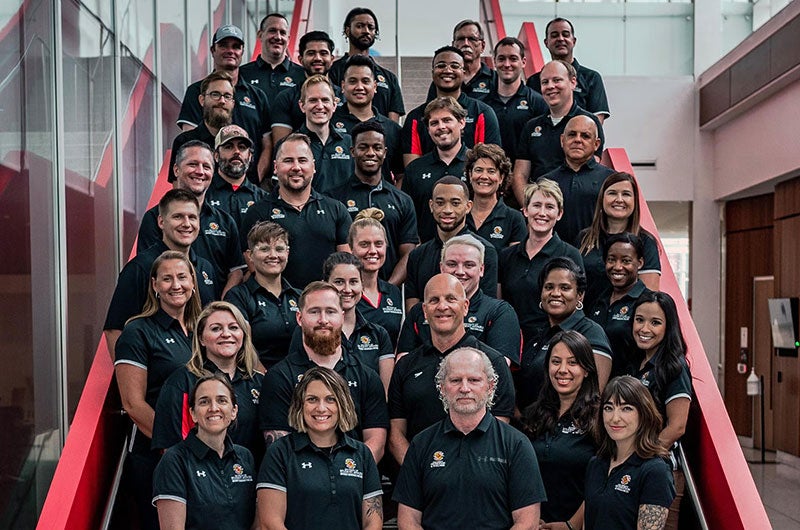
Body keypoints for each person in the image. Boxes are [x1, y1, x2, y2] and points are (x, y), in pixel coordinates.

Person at [393, 347, 545, 529]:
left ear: (490, 386)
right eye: (455, 380)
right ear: (442, 388)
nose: (464, 388)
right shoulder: (421, 444)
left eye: (474, 380)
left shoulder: (516, 444)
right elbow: (408, 520)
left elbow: (528, 522)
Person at [114, 251, 202, 530]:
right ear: (154, 285)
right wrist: (179, 449)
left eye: (182, 277)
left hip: (205, 459)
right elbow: (132, 404)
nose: (176, 285)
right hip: (158, 458)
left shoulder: (206, 329)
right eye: (166, 278)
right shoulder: (138, 331)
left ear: (193, 282)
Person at [388, 274, 515, 465]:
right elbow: (396, 435)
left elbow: (499, 432)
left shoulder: (492, 362)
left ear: (465, 307)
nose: (442, 306)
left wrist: (458, 474)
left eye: (450, 299)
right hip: (418, 482)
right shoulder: (406, 366)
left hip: (476, 476)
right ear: (424, 310)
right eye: (434, 300)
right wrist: (419, 474)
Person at [258, 281, 388, 462]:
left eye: (331, 311)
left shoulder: (367, 377)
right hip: (301, 483)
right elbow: (278, 448)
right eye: (314, 312)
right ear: (299, 318)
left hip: (353, 480)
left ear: (342, 317)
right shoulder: (279, 377)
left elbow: (376, 441)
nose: (323, 320)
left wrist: (347, 474)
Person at [256, 367, 383, 530]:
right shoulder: (280, 453)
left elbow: (373, 522)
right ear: (300, 405)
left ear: (342, 404)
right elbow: (270, 524)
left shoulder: (361, 453)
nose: (321, 408)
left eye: (330, 399)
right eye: (312, 399)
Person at [103, 189, 216, 358]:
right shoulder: (139, 268)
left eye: (192, 217)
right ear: (161, 222)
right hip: (156, 377)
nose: (186, 224)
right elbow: (114, 330)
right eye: (178, 217)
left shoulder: (205, 268)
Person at [152, 302, 265, 461]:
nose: (226, 334)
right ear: (201, 338)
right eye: (216, 328)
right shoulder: (181, 381)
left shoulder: (260, 382)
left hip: (248, 479)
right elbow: (170, 447)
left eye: (233, 327)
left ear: (244, 335)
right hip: (197, 480)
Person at [239, 133, 352, 288]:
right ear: (275, 167)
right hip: (277, 305)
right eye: (288, 161)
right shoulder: (257, 213)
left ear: (313, 167)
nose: (296, 167)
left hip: (324, 305)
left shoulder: (337, 210)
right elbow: (252, 264)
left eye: (302, 160)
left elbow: (345, 266)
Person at [137, 140, 245, 298]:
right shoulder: (155, 217)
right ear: (176, 169)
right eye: (193, 164)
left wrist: (220, 306)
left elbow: (236, 271)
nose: (200, 171)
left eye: (206, 166)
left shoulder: (226, 222)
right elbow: (149, 269)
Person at [152, 373, 256, 530]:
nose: (213, 408)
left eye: (222, 400)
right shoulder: (174, 460)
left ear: (234, 411)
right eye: (204, 402)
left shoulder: (244, 457)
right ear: (193, 413)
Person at [398, 234, 521, 365]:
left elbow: (499, 368)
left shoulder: (499, 312)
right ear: (441, 268)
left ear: (481, 269)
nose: (460, 271)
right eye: (452, 264)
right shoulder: (420, 311)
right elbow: (403, 363)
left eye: (469, 265)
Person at [522, 330, 600, 529]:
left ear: (587, 369)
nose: (562, 369)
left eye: (573, 363)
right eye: (556, 361)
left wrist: (571, 525)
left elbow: (604, 481)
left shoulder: (600, 418)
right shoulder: (533, 414)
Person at [177, 24, 272, 184]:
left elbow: (267, 145)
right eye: (223, 45)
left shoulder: (258, 96)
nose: (230, 51)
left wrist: (253, 181)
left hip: (248, 190)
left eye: (236, 46)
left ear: (242, 52)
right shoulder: (196, 91)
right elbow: (190, 142)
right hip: (207, 187)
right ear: (212, 50)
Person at [326, 120, 418, 283]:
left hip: (387, 295)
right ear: (353, 151)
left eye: (377, 147)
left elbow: (408, 254)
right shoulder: (333, 199)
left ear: (385, 152)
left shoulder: (403, 200)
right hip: (346, 292)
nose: (370, 153)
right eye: (363, 147)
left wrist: (388, 289)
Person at [516, 257, 612, 411]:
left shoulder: (591, 333)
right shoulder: (539, 335)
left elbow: (593, 397)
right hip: (532, 427)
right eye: (549, 287)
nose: (555, 293)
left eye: (565, 288)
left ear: (580, 295)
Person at [584, 376, 675, 530]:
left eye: (626, 408)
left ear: (643, 414)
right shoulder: (596, 464)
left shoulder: (655, 470)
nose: (615, 418)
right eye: (608, 408)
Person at [499, 179, 583, 344]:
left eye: (550, 207)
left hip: (553, 342)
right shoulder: (506, 256)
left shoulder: (570, 255)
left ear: (559, 214)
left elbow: (577, 306)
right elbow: (500, 303)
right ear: (525, 210)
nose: (542, 213)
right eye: (536, 205)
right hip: (513, 341)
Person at [511, 60, 605, 206]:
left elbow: (589, 172)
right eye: (545, 82)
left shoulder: (590, 123)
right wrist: (531, 206)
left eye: (557, 80)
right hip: (541, 213)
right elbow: (520, 175)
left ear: (573, 82)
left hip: (576, 207)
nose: (550, 86)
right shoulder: (531, 126)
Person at [404, 176, 498, 310]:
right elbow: (412, 309)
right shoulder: (417, 255)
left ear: (468, 206)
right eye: (440, 203)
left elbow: (487, 306)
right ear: (431, 206)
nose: (447, 210)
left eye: (455, 203)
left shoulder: (485, 251)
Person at [401, 46, 501, 167]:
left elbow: (490, 164)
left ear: (464, 73)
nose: (448, 70)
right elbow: (412, 170)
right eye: (441, 65)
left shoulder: (483, 112)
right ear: (432, 72)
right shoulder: (415, 117)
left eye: (454, 66)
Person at [578, 171, 661, 311]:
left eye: (626, 194)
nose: (619, 199)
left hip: (624, 326)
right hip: (587, 325)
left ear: (635, 201)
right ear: (602, 199)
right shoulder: (584, 238)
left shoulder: (646, 242)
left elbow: (649, 299)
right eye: (612, 193)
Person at [224, 221, 300, 369]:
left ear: (287, 253)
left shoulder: (300, 297)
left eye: (279, 249)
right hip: (258, 380)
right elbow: (243, 347)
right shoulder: (238, 297)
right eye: (264, 249)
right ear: (250, 255)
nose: (273, 255)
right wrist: (269, 381)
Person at [322, 252, 394, 393]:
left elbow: (384, 394)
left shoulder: (378, 334)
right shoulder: (311, 332)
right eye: (339, 282)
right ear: (325, 285)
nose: (347, 289)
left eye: (354, 282)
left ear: (362, 286)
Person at [629, 291, 692, 448]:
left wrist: (642, 458)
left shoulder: (675, 367)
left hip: (650, 460)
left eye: (655, 323)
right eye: (639, 320)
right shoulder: (633, 361)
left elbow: (677, 427)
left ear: (668, 327)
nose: (644, 329)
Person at [401, 97, 468, 241]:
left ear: (462, 122)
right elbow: (408, 220)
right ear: (428, 129)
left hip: (470, 253)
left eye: (447, 120)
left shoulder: (478, 165)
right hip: (428, 253)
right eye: (434, 123)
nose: (441, 127)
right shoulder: (415, 170)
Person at [541, 115, 615, 245]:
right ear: (562, 140)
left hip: (599, 257)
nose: (577, 140)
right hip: (556, 258)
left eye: (585, 136)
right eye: (572, 135)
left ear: (596, 144)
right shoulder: (546, 182)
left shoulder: (611, 180)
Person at [331, 55, 404, 182]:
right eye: (353, 81)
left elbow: (400, 175)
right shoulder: (328, 123)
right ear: (343, 86)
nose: (359, 87)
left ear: (375, 86)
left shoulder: (393, 129)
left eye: (365, 81)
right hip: (337, 200)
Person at [589, 233, 652, 376]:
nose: (617, 267)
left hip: (629, 391)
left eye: (626, 261)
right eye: (611, 260)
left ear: (640, 263)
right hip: (595, 388)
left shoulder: (648, 302)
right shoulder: (598, 299)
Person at [527, 17, 610, 123]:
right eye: (554, 35)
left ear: (573, 41)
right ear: (546, 42)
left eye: (565, 34)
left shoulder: (591, 78)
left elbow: (596, 122)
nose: (560, 39)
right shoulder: (534, 81)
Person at [328, 7, 405, 122]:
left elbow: (393, 126)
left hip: (379, 138)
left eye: (371, 27)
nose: (366, 31)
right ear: (347, 30)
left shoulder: (389, 78)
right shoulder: (333, 71)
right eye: (360, 26)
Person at [270, 31, 344, 143]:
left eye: (323, 53)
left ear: (332, 59)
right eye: (311, 53)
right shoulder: (286, 98)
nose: (318, 58)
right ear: (300, 60)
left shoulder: (344, 96)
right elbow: (281, 147)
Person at [485, 37, 547, 165]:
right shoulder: (483, 104)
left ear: (523, 62)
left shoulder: (538, 102)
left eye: (513, 59)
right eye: (501, 59)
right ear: (494, 62)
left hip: (526, 179)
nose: (507, 64)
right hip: (490, 177)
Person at [349, 208, 404, 349]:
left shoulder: (394, 292)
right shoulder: (343, 292)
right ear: (351, 248)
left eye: (378, 244)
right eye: (364, 244)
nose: (373, 250)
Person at [168, 71, 234, 183]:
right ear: (202, 100)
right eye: (215, 94)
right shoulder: (184, 141)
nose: (222, 101)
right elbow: (178, 189)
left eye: (227, 96)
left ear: (233, 103)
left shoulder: (240, 145)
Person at [295, 74, 354, 193]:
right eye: (313, 100)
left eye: (325, 100)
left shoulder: (350, 143)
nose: (320, 106)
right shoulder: (290, 145)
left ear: (334, 105)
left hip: (344, 210)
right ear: (302, 106)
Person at [464, 143, 526, 250]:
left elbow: (515, 262)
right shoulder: (460, 214)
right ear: (470, 175)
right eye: (478, 170)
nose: (484, 176)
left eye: (491, 171)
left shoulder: (514, 219)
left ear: (501, 177)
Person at [207, 124, 267, 227]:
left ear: (250, 156)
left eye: (242, 147)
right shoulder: (203, 193)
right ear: (216, 156)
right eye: (229, 147)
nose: (236, 152)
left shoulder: (263, 199)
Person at [239, 13, 306, 102]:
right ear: (260, 35)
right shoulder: (242, 74)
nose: (278, 37)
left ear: (288, 39)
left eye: (282, 33)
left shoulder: (302, 75)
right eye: (272, 31)